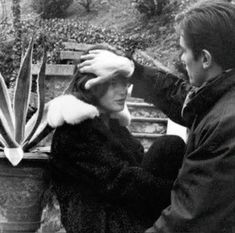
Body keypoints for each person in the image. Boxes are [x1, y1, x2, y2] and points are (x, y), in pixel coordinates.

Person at [77, 1, 235, 232]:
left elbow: (188, 220)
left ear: (205, 58)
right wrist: (134, 70)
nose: (181, 58)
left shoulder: (225, 125)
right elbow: (187, 100)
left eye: (183, 50)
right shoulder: (221, 102)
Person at [47, 46, 185, 233]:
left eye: (125, 83)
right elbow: (121, 182)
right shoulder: (75, 130)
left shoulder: (112, 125)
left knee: (170, 147)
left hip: (122, 211)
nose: (123, 91)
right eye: (113, 83)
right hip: (99, 223)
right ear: (91, 83)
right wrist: (181, 193)